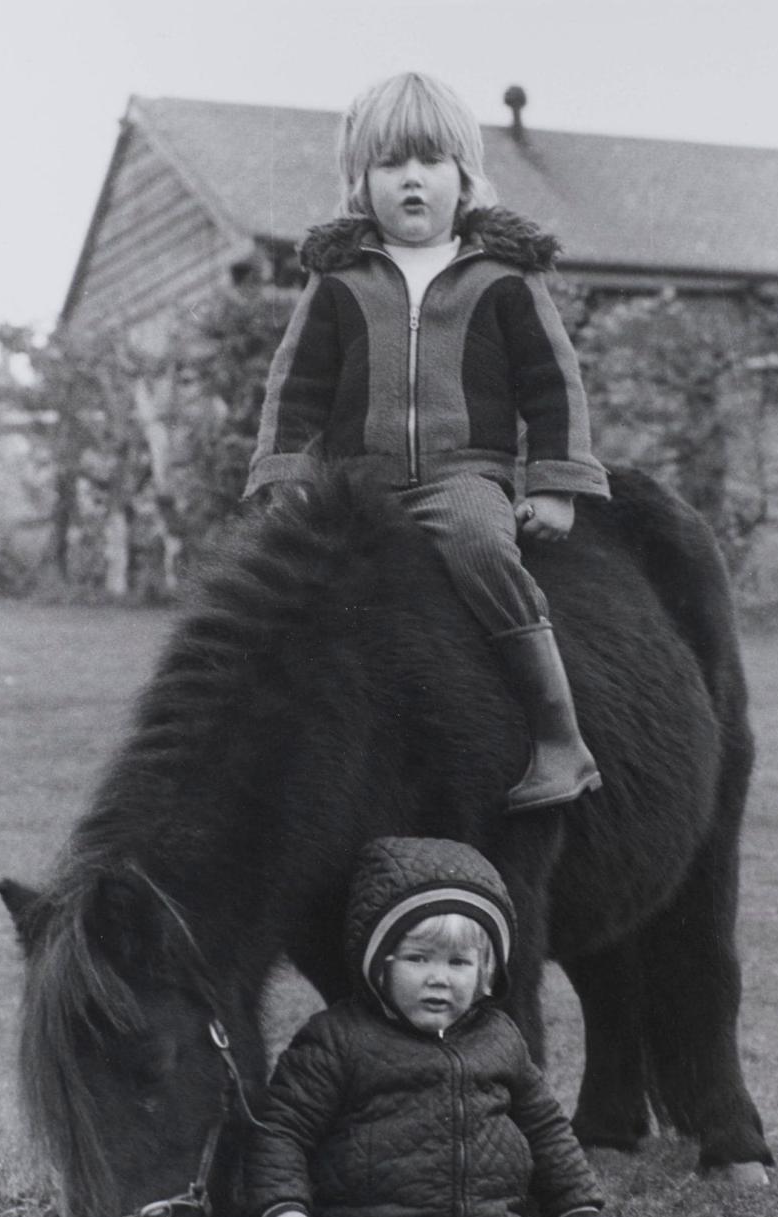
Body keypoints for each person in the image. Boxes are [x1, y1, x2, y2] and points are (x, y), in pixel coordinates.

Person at [247, 837, 709, 1217]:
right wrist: (282, 1206)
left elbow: (545, 1128)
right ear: (377, 961)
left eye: (459, 964)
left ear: (488, 975)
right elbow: (283, 1127)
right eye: (418, 959)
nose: (439, 980)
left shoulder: (499, 1039)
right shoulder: (336, 1040)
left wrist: (579, 1209)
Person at [244, 72, 611, 814]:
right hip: (358, 482)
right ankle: (265, 761)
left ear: (464, 175)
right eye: (391, 164)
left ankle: (558, 738)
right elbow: (296, 384)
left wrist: (553, 485)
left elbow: (553, 383)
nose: (412, 180)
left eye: (431, 161)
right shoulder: (340, 277)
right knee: (289, 584)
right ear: (361, 180)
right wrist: (284, 476)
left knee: (481, 545)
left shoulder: (504, 275)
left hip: (461, 477)